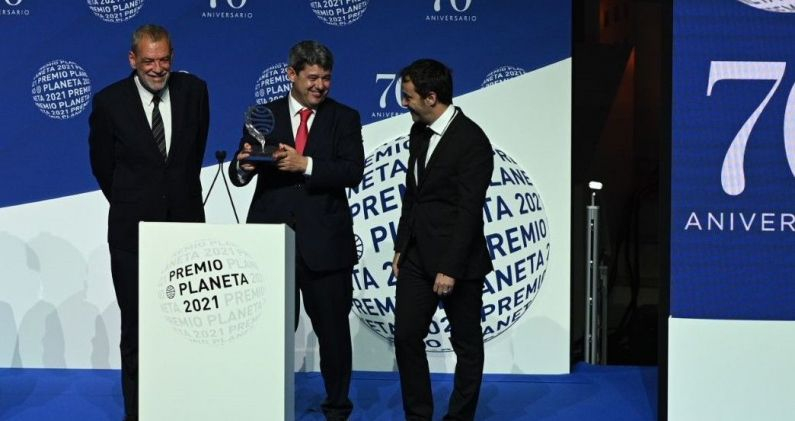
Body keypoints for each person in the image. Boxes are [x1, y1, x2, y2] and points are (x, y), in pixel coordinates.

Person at [229, 40, 364, 420]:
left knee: (333, 334)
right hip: (271, 245)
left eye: (326, 78)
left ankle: (337, 407)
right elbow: (239, 173)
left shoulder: (345, 118)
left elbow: (352, 171)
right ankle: (265, 403)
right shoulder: (262, 115)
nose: (320, 86)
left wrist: (306, 164)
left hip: (326, 245)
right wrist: (244, 167)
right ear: (292, 74)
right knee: (269, 333)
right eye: (312, 78)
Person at [88, 24, 209, 421]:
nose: (157, 69)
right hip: (131, 234)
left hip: (185, 230)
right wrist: (135, 203)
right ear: (132, 60)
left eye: (164, 60)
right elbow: (103, 167)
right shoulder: (109, 102)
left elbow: (192, 157)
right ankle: (138, 412)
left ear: (172, 56)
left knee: (187, 325)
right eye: (149, 61)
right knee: (137, 329)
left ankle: (185, 405)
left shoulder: (195, 92)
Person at [391, 59, 494, 421]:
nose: (403, 103)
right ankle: (418, 416)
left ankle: (459, 417)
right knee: (405, 335)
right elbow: (413, 195)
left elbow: (469, 211)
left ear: (431, 97)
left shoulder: (472, 141)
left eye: (408, 97)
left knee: (466, 345)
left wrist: (449, 269)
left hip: (459, 263)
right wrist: (402, 245)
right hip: (417, 256)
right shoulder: (418, 131)